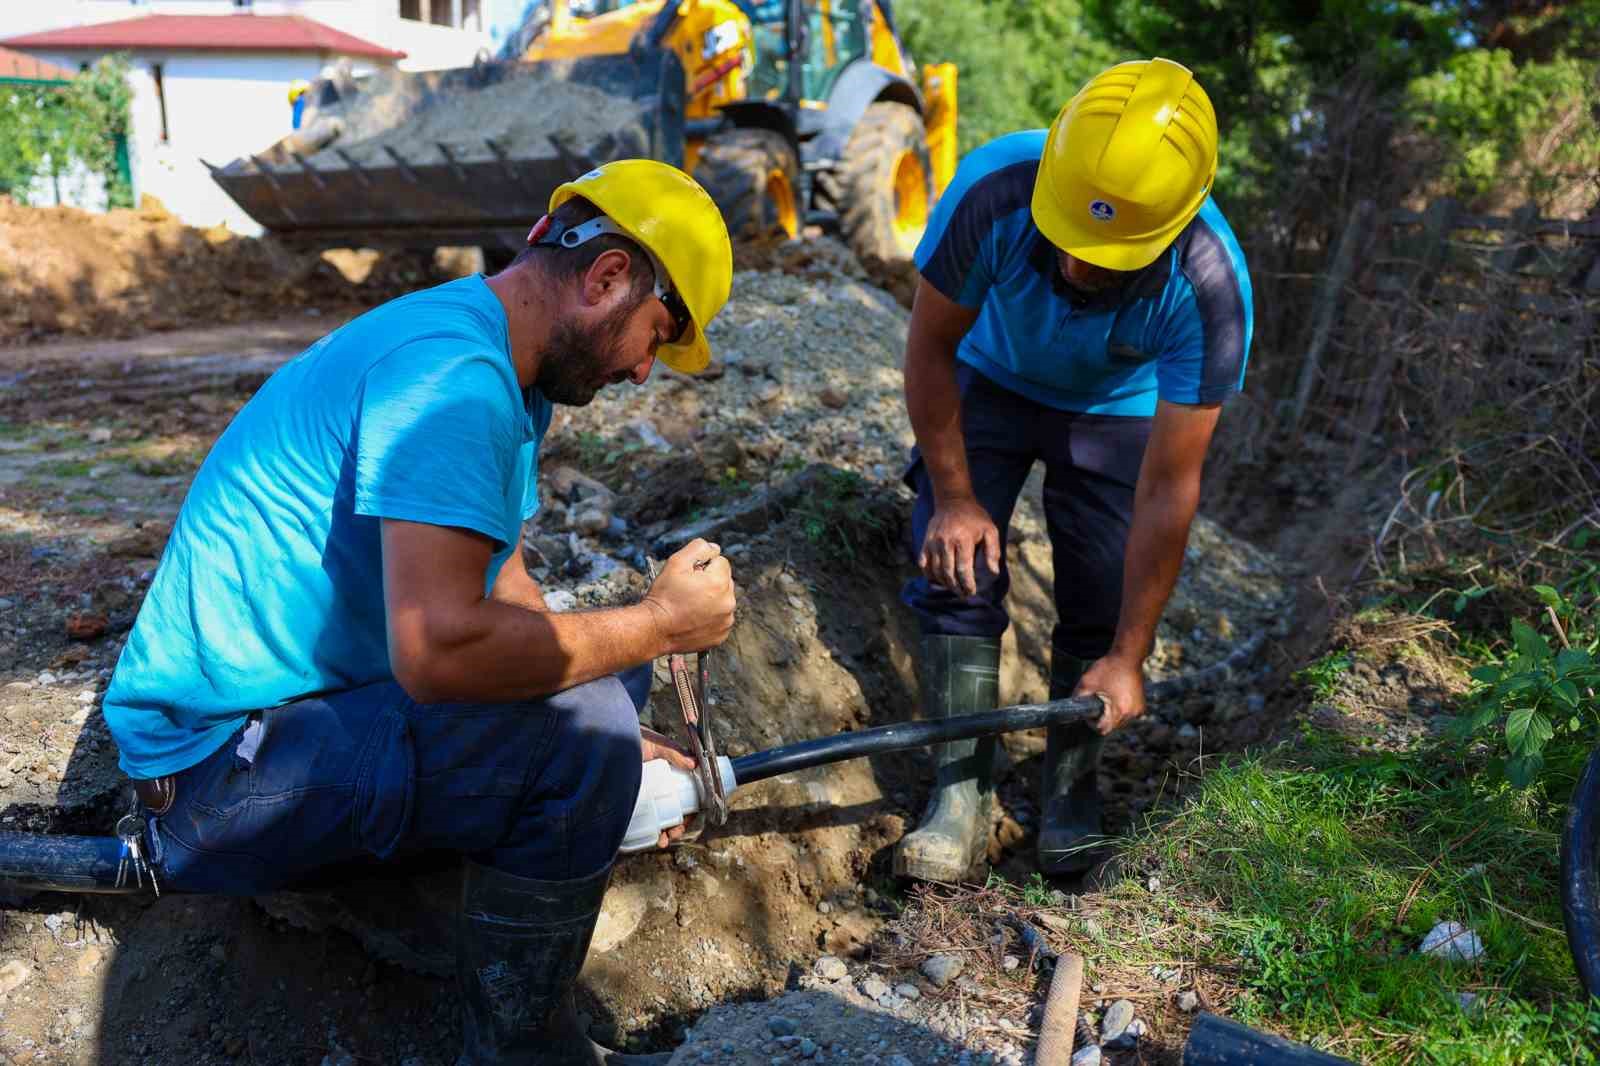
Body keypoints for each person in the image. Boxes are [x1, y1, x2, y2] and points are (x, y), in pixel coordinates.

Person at [101, 159, 735, 1066]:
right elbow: (438, 653)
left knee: (605, 692)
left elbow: (501, 583)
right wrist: (663, 625)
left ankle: (460, 882)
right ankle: (523, 1047)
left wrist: (625, 718)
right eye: (655, 335)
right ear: (606, 279)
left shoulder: (494, 365)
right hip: (215, 775)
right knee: (582, 726)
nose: (643, 369)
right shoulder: (455, 382)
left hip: (285, 721)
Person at [893, 58, 1253, 882]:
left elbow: (1169, 489)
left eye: (1112, 257)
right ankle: (960, 797)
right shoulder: (992, 190)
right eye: (1070, 241)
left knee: (1097, 588)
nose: (1082, 269)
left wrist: (1130, 653)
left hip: (1115, 409)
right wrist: (953, 496)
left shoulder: (1210, 289)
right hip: (989, 374)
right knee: (956, 573)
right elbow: (929, 347)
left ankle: (1072, 793)